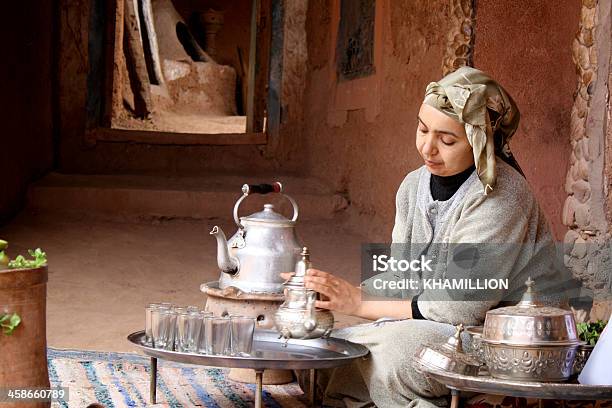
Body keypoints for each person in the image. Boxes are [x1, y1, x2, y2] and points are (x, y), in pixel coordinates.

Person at [287, 67, 567, 408]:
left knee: (395, 357)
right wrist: (333, 294)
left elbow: (461, 305)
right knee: (316, 350)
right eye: (422, 129)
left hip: (502, 340)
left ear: (482, 141)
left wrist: (359, 304)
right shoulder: (412, 186)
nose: (428, 147)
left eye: (447, 140)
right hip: (432, 325)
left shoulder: (501, 197)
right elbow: (403, 275)